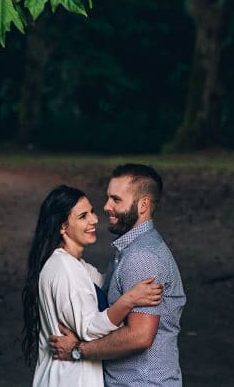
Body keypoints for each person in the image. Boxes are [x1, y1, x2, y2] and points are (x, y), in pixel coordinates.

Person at [49, 164, 186, 386]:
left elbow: (139, 336)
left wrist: (77, 350)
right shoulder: (131, 249)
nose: (106, 206)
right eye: (108, 198)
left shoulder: (142, 257)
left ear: (143, 205)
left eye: (116, 200)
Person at [22, 185, 164, 387]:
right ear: (63, 227)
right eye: (82, 216)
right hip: (70, 380)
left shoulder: (74, 265)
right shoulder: (65, 268)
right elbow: (89, 328)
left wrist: (134, 257)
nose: (94, 220)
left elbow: (108, 284)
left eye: (92, 212)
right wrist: (130, 299)